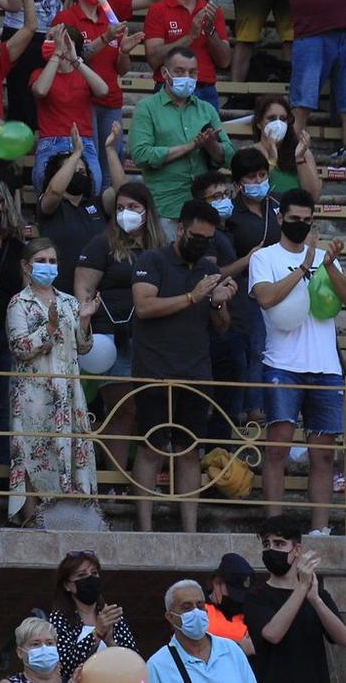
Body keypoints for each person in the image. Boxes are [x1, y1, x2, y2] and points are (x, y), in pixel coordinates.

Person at [249, 190, 346, 535]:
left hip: (326, 367)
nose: (300, 225)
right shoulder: (264, 258)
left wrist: (326, 266)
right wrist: (304, 268)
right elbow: (265, 298)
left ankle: (320, 528)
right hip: (282, 362)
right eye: (294, 219)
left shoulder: (327, 257)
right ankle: (274, 526)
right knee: (277, 447)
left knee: (323, 454)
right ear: (280, 218)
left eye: (307, 220)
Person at [131, 200, 237, 533]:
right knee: (152, 447)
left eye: (208, 239)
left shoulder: (208, 269)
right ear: (180, 229)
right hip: (154, 370)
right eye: (196, 236)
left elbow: (221, 326)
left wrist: (218, 303)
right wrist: (193, 296)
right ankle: (144, 530)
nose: (202, 243)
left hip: (195, 372)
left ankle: (189, 531)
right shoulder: (152, 260)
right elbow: (144, 306)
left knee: (190, 450)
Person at [5, 236, 96, 523]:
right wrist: (50, 328)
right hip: (34, 392)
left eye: (52, 261)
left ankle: (68, 520)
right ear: (26, 266)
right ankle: (34, 522)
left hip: (68, 390)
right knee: (33, 452)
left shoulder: (69, 301)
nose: (48, 266)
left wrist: (84, 320)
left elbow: (82, 347)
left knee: (69, 452)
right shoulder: (19, 303)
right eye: (41, 261)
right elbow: (20, 347)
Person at [128, 47, 232, 229]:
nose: (187, 77)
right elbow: (141, 154)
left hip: (203, 208)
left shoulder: (206, 109)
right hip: (165, 208)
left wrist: (211, 145)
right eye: (179, 71)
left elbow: (229, 156)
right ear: (164, 73)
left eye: (192, 72)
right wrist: (190, 146)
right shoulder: (147, 108)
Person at [246, 515, 346, 683]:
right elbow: (272, 634)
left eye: (279, 543)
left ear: (297, 550)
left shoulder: (318, 594)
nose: (271, 549)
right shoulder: (256, 595)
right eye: (267, 544)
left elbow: (344, 639)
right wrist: (302, 587)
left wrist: (316, 601)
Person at [146, 579, 258, 683]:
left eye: (200, 606)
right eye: (187, 607)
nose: (196, 612)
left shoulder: (231, 650)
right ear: (170, 617)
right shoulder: (157, 665)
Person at [46, 553, 137, 680]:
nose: (90, 579)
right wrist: (97, 634)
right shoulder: (59, 619)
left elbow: (133, 664)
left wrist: (110, 642)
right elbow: (64, 666)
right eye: (82, 575)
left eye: (94, 573)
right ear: (67, 585)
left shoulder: (112, 616)